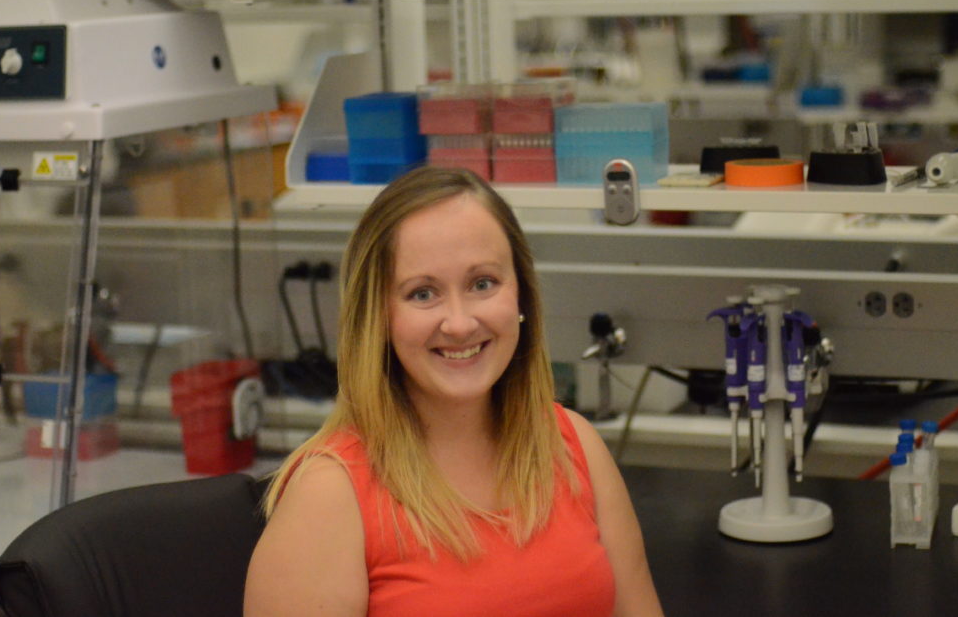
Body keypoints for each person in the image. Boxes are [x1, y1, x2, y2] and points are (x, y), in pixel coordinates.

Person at [245, 167, 664, 617]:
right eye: (423, 293)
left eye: (482, 284)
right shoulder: (329, 494)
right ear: (379, 318)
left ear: (520, 296)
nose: (460, 323)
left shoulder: (574, 446)